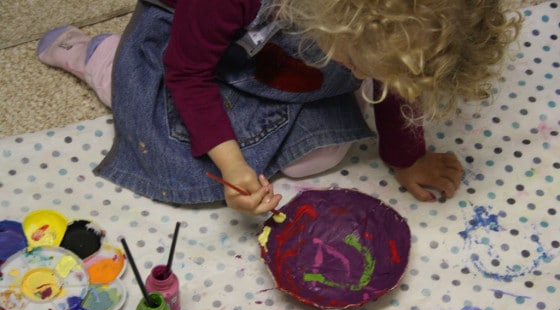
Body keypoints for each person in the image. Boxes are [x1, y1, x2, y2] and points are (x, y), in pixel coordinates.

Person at [37, 0, 521, 215]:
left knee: (323, 156)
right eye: (362, 66)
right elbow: (188, 72)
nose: (369, 80)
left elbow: (396, 72)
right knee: (171, 136)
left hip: (281, 42)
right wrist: (231, 165)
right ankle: (100, 57)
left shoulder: (373, 21)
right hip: (185, 42)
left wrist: (405, 154)